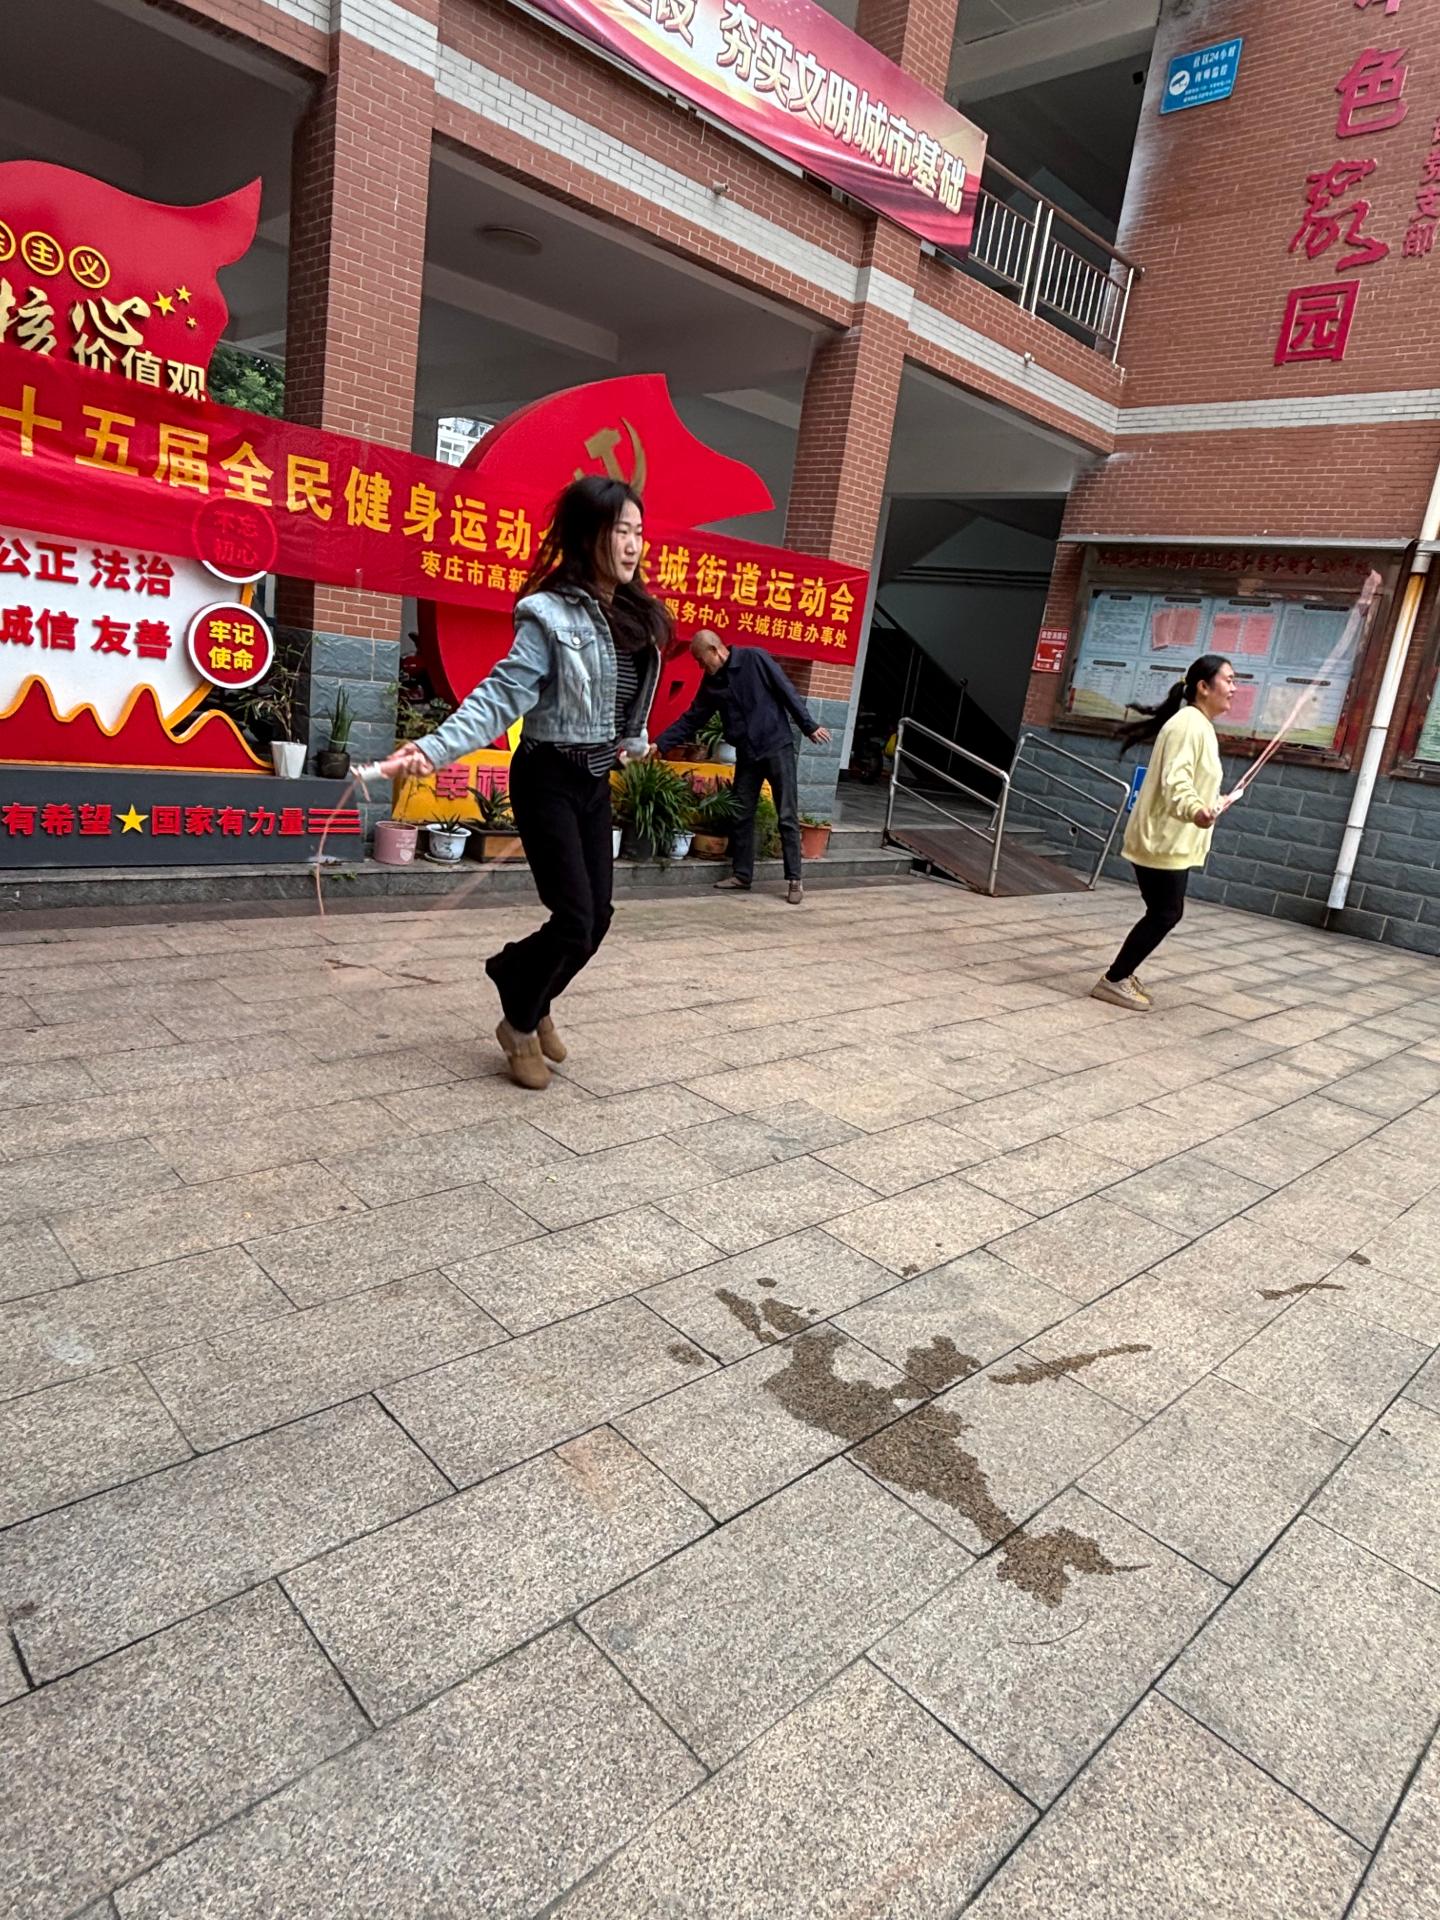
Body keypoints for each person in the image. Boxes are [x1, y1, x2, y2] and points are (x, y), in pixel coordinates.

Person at [377, 476, 666, 1089]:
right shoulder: (548, 614)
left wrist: (633, 741)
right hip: (547, 778)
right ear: (587, 536)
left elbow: (627, 697)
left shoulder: (635, 612)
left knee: (599, 917)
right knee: (574, 918)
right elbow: (499, 697)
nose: (633, 544)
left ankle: (526, 989)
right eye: (620, 531)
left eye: (639, 532)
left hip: (594, 780)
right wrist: (433, 748)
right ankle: (520, 1020)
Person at [1092, 651, 1236, 1011]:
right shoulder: (1188, 725)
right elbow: (1177, 782)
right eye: (1229, 680)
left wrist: (1212, 803)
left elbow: (1191, 782)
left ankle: (1120, 975)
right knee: (1165, 913)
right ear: (1203, 687)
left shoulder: (1198, 724)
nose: (1234, 688)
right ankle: (1114, 980)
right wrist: (1195, 810)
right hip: (1162, 839)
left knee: (1164, 911)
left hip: (1170, 840)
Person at [656, 632, 831, 904]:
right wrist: (660, 744)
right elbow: (692, 719)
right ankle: (742, 875)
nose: (701, 667)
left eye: (701, 660)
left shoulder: (754, 659)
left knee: (786, 814)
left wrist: (809, 725)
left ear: (715, 650)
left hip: (776, 746)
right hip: (748, 754)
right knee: (741, 813)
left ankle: (794, 879)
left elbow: (785, 690)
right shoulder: (711, 684)